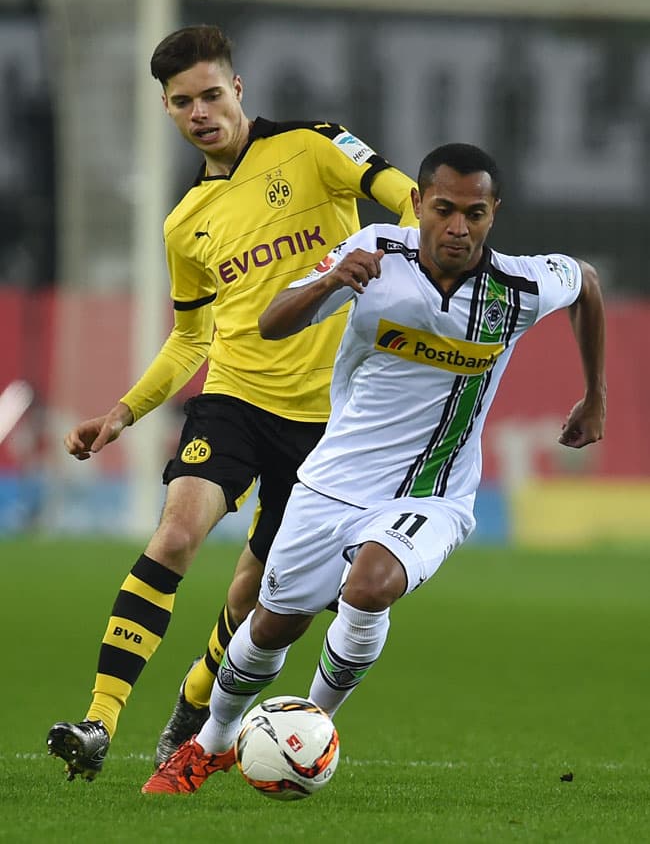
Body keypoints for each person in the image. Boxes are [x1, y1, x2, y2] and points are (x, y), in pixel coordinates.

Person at [140, 141, 607, 795]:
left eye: (474, 213)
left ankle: (310, 734)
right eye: (443, 208)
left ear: (493, 213)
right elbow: (272, 323)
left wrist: (595, 394)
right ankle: (209, 743)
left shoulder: (522, 285)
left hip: (434, 492)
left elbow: (585, 280)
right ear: (417, 203)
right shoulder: (376, 254)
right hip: (331, 482)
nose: (457, 226)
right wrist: (331, 279)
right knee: (273, 624)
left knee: (369, 585)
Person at [46, 24, 418, 782]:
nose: (200, 111)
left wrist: (396, 257)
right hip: (237, 396)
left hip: (333, 424)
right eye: (183, 102)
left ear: (238, 90)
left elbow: (409, 198)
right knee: (177, 532)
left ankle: (191, 707)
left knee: (256, 593)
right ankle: (99, 722)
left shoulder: (316, 145)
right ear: (168, 110)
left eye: (211, 94)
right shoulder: (186, 223)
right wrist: (121, 413)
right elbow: (191, 339)